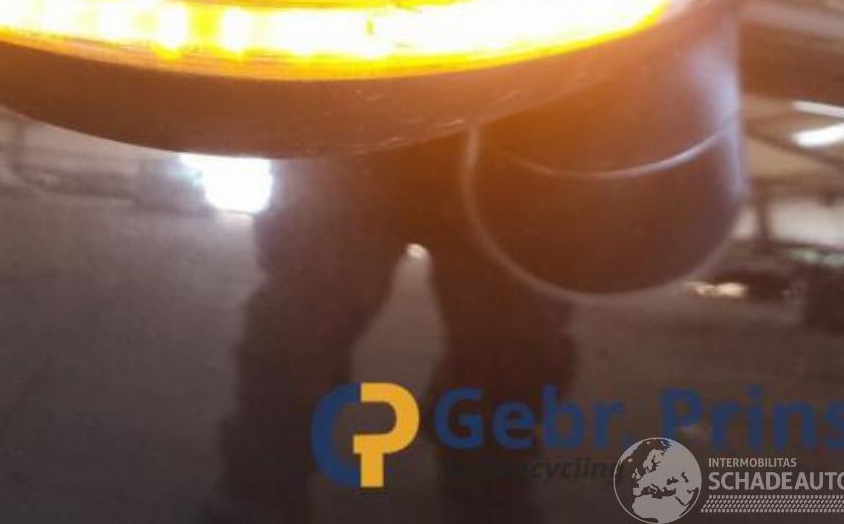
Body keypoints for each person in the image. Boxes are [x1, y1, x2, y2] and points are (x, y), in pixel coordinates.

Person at [206, 134, 576, 523]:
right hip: (356, 129)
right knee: (305, 312)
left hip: (518, 130)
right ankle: (263, 481)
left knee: (516, 333)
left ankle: (485, 468)